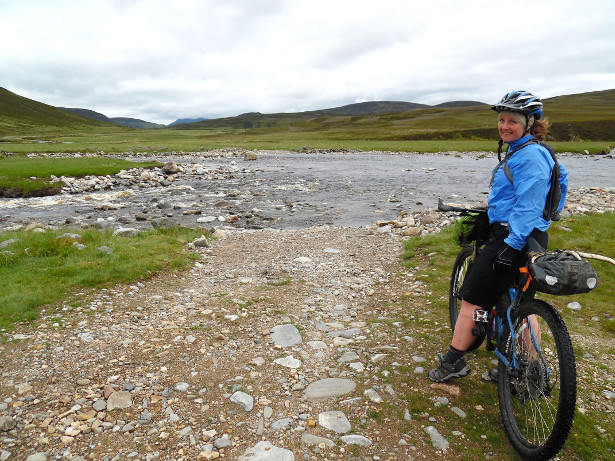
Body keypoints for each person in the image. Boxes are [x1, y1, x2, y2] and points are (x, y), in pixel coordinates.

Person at [428, 90, 568, 383]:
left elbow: (529, 204)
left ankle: (452, 363)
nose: (504, 125)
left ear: (529, 123)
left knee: (470, 300)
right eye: (501, 120)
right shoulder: (538, 151)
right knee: (522, 305)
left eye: (512, 121)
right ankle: (528, 374)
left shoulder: (528, 156)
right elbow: (559, 185)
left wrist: (511, 242)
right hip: (534, 238)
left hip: (512, 239)